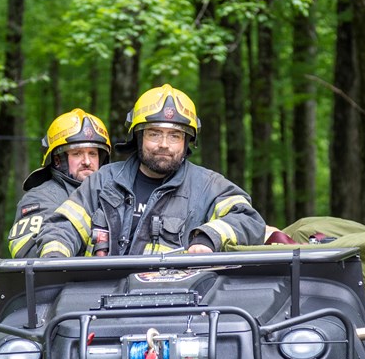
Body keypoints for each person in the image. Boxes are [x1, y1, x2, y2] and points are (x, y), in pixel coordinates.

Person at [38, 84, 265, 257]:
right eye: (154, 134)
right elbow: (63, 226)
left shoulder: (208, 186)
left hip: (176, 300)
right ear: (138, 137)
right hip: (101, 297)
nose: (164, 144)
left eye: (174, 135)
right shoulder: (103, 181)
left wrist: (207, 238)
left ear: (187, 142)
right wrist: (54, 258)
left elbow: (249, 220)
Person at [8, 109, 112, 258]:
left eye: (92, 154)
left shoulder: (115, 194)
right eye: (77, 153)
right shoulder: (39, 199)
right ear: (58, 160)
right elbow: (29, 253)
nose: (87, 161)